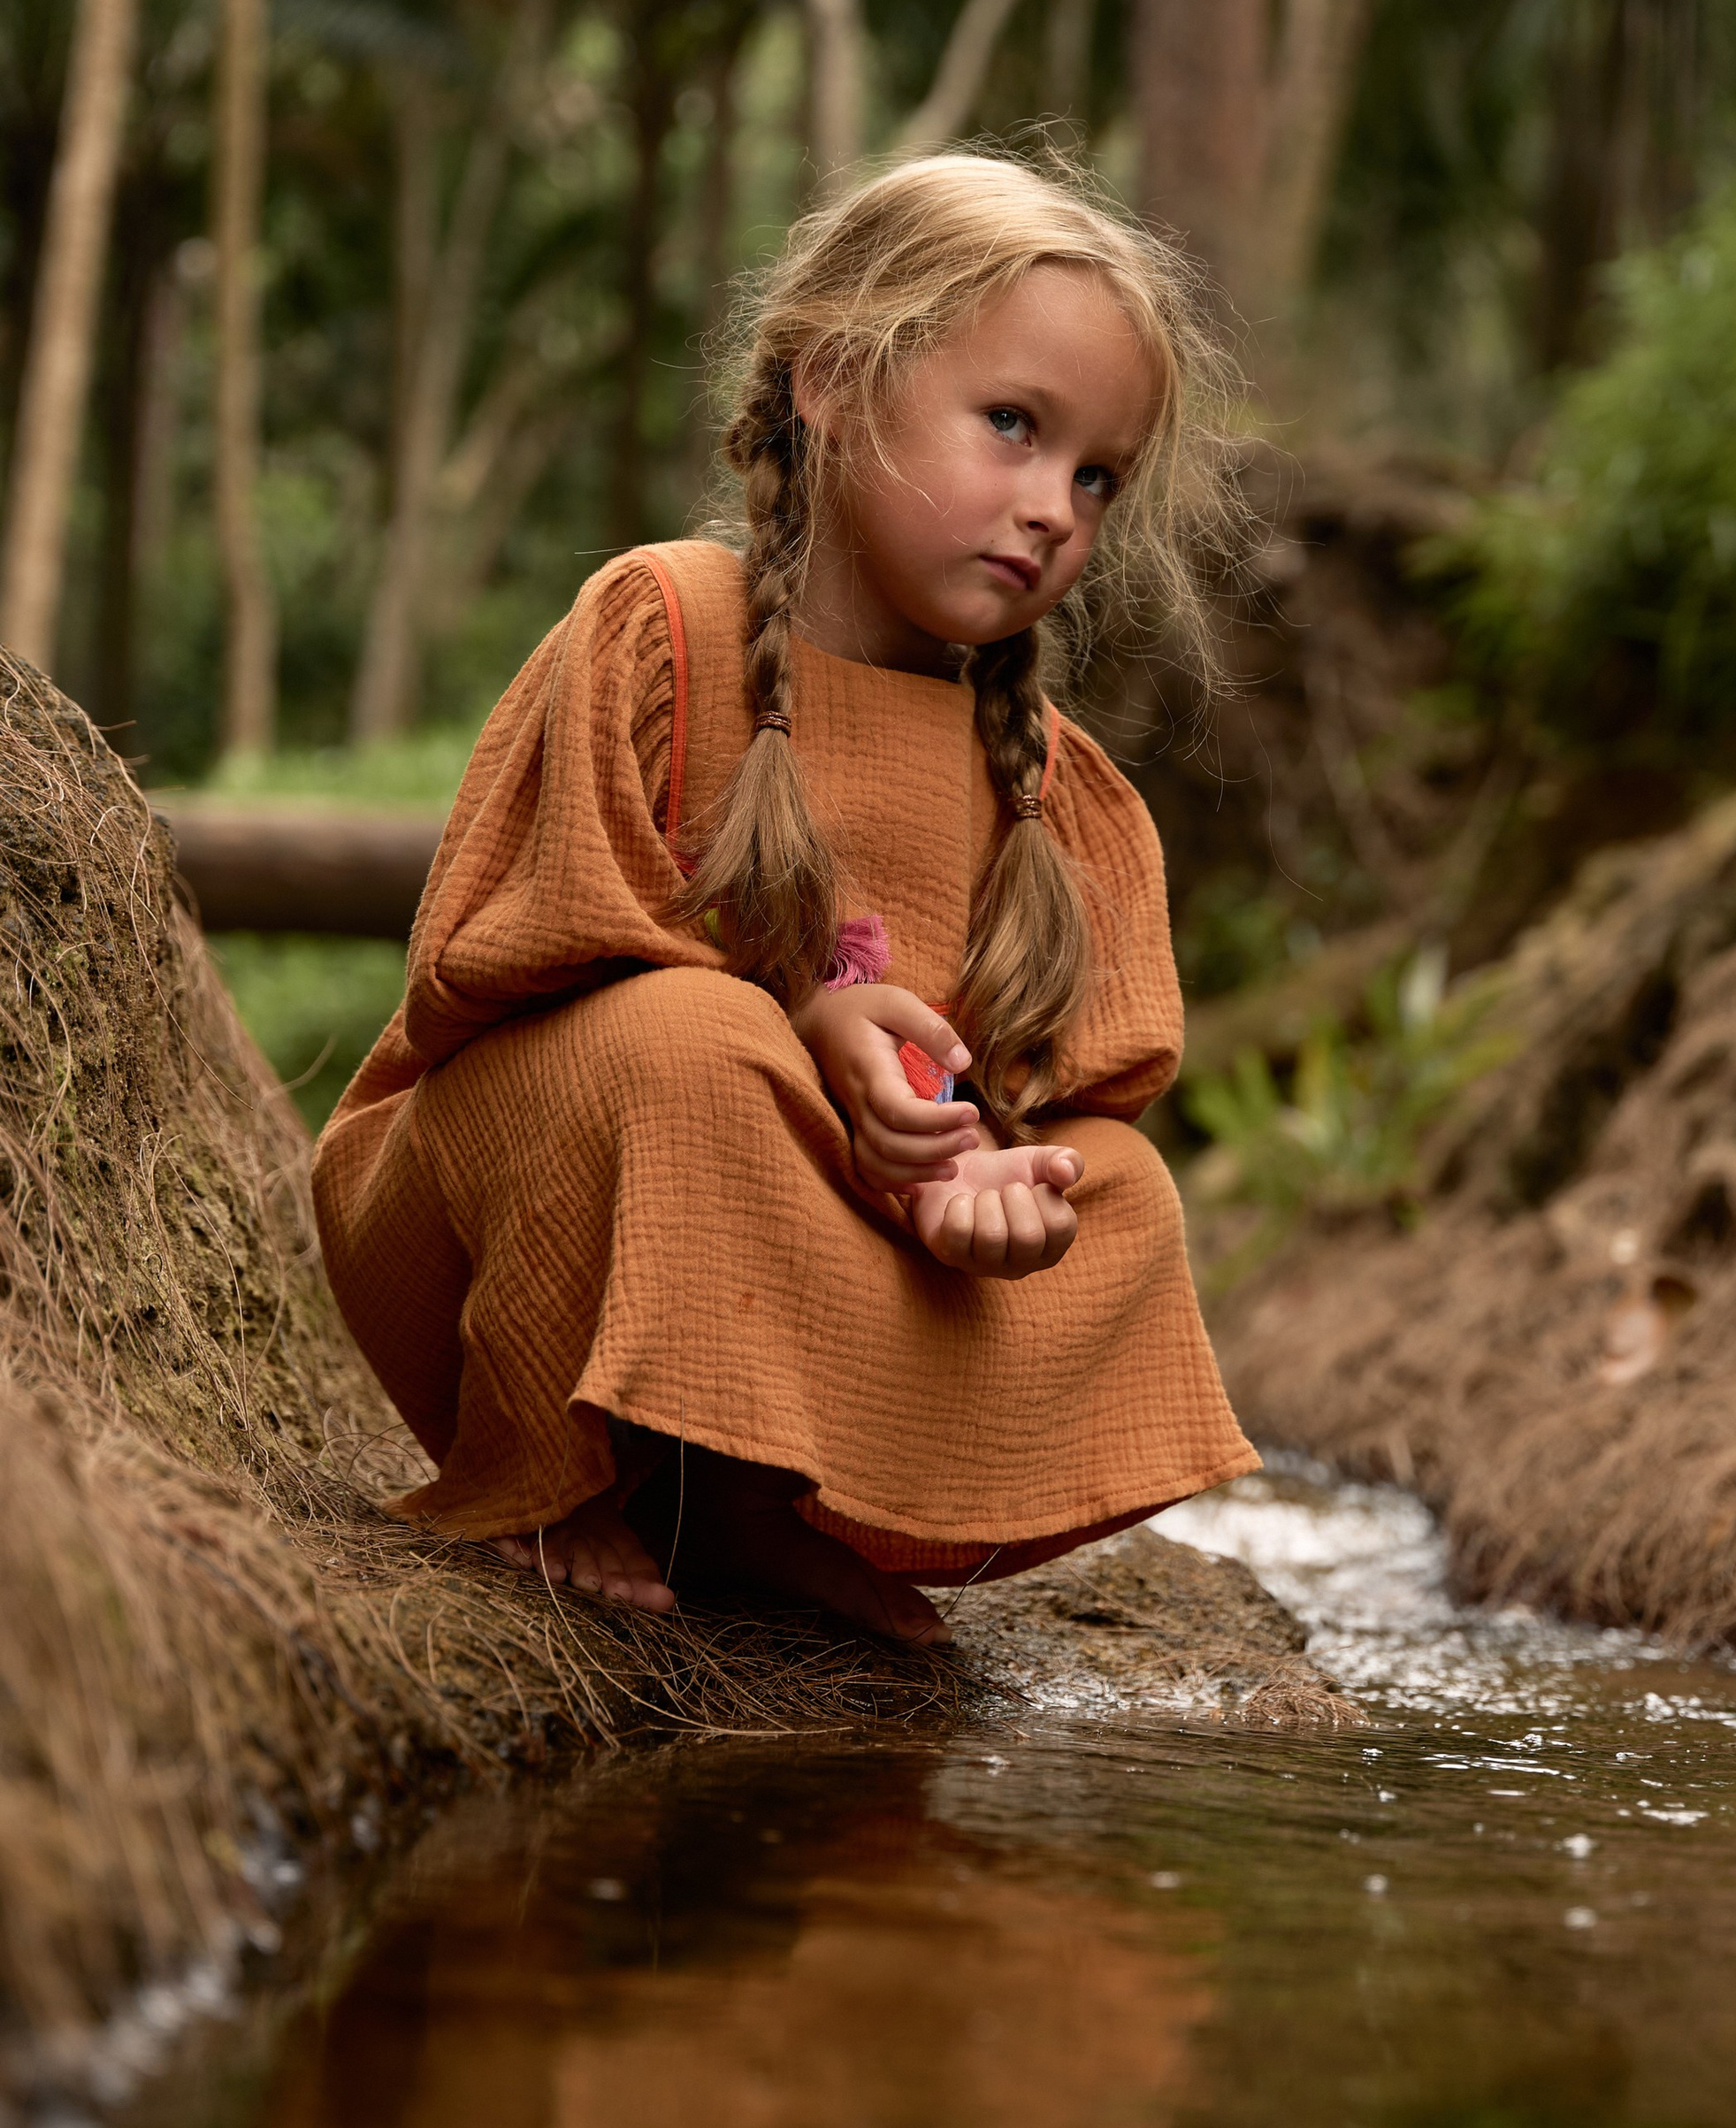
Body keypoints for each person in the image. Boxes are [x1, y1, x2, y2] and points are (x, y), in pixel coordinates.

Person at [312, 151, 1258, 1644]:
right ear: (829, 379)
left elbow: (1070, 1091)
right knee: (694, 1038)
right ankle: (548, 1477)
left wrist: (987, 1180)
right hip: (508, 1196)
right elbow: (495, 967)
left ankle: (755, 1514)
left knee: (1127, 1194)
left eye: (1095, 476)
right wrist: (808, 1026)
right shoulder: (662, 629)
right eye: (1010, 425)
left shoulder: (1051, 792)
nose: (1051, 509)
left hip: (819, 1255)